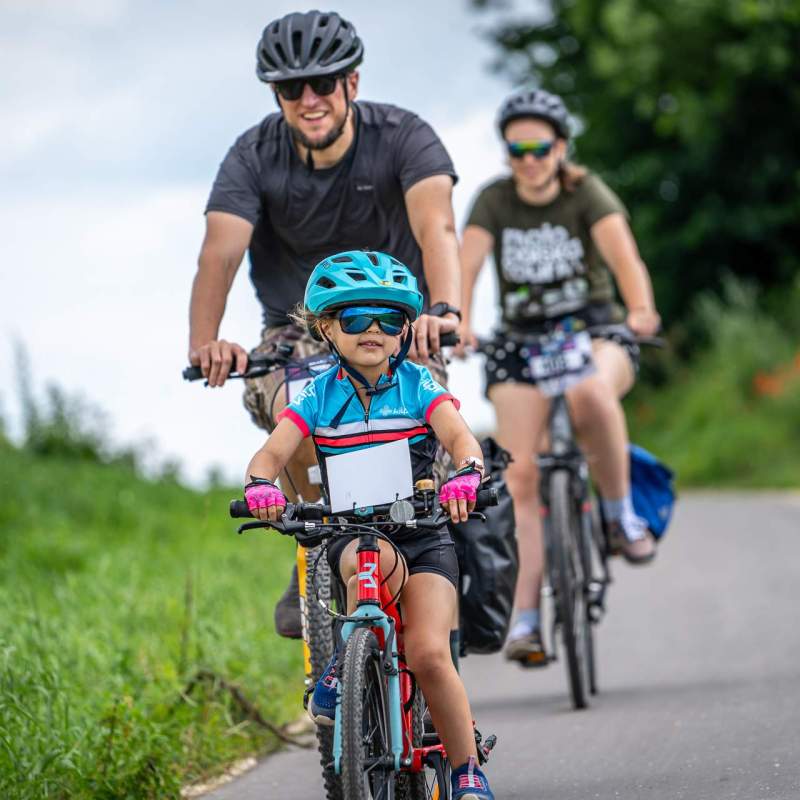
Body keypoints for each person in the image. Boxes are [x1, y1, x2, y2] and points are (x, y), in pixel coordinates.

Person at [188, 10, 463, 638]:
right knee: (303, 408)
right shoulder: (253, 155)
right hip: (295, 331)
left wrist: (442, 311)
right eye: (291, 89)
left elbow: (437, 227)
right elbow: (220, 252)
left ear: (352, 83)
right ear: (276, 95)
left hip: (399, 325)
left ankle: (433, 579)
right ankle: (318, 549)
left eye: (323, 84)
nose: (308, 100)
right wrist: (207, 343)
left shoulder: (404, 136)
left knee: (427, 439)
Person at [244, 251, 494, 800]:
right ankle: (345, 663)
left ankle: (467, 770)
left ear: (406, 328)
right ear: (327, 328)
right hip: (355, 535)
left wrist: (468, 475)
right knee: (368, 554)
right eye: (356, 319)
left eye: (388, 319)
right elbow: (270, 455)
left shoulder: (419, 385)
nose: (373, 331)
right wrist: (261, 486)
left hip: (424, 534)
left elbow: (460, 439)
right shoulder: (317, 395)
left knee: (429, 653)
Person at [457, 88, 661, 666]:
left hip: (592, 328)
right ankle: (525, 622)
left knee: (588, 387)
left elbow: (626, 259)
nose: (528, 158)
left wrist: (640, 308)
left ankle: (621, 515)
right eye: (516, 148)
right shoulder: (494, 201)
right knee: (518, 479)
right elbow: (467, 267)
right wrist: (463, 323)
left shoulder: (585, 191)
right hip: (521, 341)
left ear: (560, 147)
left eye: (539, 147)